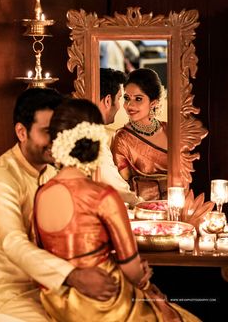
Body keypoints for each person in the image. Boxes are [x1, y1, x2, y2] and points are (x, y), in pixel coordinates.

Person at [33, 97, 201, 322]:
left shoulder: (41, 193)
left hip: (58, 303)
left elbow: (41, 255)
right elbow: (131, 270)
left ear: (55, 141)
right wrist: (143, 279)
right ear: (95, 144)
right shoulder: (102, 196)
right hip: (104, 304)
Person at [0, 88, 118, 322]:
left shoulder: (53, 175)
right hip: (9, 293)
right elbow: (13, 242)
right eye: (48, 132)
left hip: (52, 289)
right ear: (22, 132)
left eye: (59, 132)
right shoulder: (2, 177)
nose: (57, 141)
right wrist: (74, 276)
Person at [111, 68, 168, 201]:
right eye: (126, 98)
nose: (129, 105)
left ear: (153, 103)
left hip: (178, 205)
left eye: (138, 99)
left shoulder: (170, 130)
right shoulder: (122, 138)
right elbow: (123, 186)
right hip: (142, 208)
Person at [99, 67, 141, 206]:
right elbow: (114, 187)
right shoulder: (93, 135)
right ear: (107, 100)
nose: (122, 106)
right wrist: (145, 206)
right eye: (120, 98)